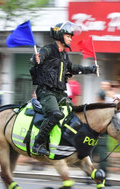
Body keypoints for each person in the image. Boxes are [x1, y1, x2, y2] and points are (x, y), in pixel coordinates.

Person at [30, 21, 98, 156]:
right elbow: (38, 57)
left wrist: (92, 69)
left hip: (60, 93)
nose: (70, 39)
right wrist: (35, 58)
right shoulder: (48, 49)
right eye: (68, 36)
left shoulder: (64, 55)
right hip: (46, 92)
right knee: (56, 114)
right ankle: (37, 144)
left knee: (74, 115)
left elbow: (73, 68)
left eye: (71, 37)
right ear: (60, 35)